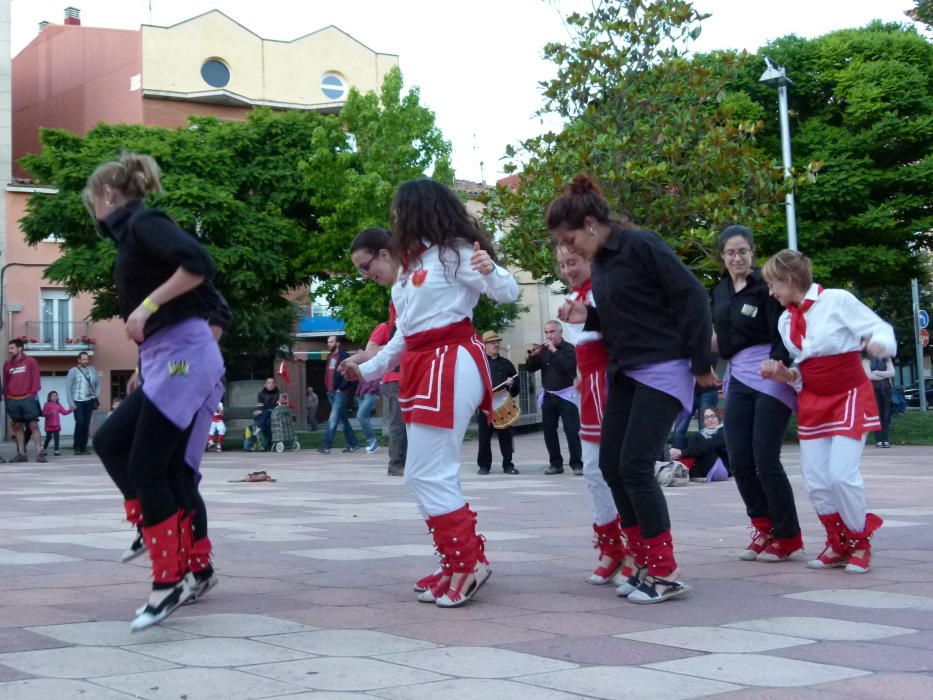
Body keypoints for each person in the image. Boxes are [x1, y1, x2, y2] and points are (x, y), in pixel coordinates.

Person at [340, 178, 519, 608]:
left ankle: (466, 565)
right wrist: (365, 366)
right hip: (426, 364)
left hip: (451, 360)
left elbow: (507, 292)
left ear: (421, 210)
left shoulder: (456, 252)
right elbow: (404, 335)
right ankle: (459, 561)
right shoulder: (410, 271)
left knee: (429, 471)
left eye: (400, 212)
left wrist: (490, 268)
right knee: (421, 473)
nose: (396, 220)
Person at [551, 174, 715, 604]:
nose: (570, 250)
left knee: (637, 465)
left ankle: (664, 571)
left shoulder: (641, 244)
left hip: (665, 367)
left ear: (590, 223)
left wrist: (702, 365)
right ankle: (642, 560)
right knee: (611, 464)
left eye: (571, 239)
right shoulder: (602, 264)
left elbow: (692, 295)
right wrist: (588, 317)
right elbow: (624, 318)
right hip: (626, 369)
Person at [85, 152, 226, 630]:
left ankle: (169, 582)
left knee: (158, 467)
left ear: (107, 195)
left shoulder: (144, 223)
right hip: (170, 359)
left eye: (92, 204)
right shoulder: (134, 237)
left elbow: (200, 263)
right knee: (110, 442)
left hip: (187, 357)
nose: (94, 215)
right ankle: (151, 530)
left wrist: (145, 307)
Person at [761, 249, 895, 574]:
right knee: (817, 480)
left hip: (849, 394)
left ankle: (860, 541)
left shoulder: (837, 300)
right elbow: (801, 372)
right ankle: (838, 542)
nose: (770, 291)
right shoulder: (785, 320)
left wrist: (879, 345)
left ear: (789, 280)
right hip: (813, 400)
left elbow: (881, 329)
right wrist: (785, 375)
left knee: (841, 475)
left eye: (773, 284)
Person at [712, 225, 803, 562]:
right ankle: (763, 527)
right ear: (722, 256)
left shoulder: (766, 287)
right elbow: (721, 338)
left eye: (743, 251)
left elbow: (784, 329)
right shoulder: (719, 291)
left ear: (752, 252)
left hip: (770, 374)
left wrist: (777, 363)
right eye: (730, 252)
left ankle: (788, 535)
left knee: (766, 459)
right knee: (739, 459)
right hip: (737, 376)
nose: (737, 257)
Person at [556, 244, 628, 586]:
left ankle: (636, 548)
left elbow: (622, 334)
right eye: (563, 264)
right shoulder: (578, 296)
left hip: (611, 384)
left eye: (573, 261)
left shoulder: (604, 290)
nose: (568, 269)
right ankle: (613, 546)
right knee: (593, 470)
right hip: (591, 388)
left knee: (618, 469)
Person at [349, 227, 407, 476]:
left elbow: (406, 342)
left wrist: (364, 367)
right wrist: (362, 365)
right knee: (402, 428)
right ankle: (399, 464)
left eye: (364, 266)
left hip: (429, 373)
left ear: (384, 254)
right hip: (400, 378)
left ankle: (401, 465)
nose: (364, 275)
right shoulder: (399, 292)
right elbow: (399, 342)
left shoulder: (411, 284)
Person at [525, 320, 582, 475]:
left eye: (551, 332)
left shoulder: (569, 349)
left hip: (567, 396)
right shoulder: (543, 351)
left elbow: (569, 367)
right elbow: (530, 369)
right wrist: (533, 356)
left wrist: (553, 350)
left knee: (572, 431)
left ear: (560, 332)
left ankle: (577, 464)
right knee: (549, 431)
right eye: (546, 332)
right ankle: (556, 464)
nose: (549, 335)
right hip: (549, 396)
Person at [476, 330, 519, 475]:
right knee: (484, 438)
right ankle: (484, 466)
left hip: (502, 408)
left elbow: (516, 388)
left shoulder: (507, 364)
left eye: (497, 342)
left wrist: (512, 384)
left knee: (506, 437)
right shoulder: (479, 364)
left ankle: (508, 465)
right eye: (492, 342)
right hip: (485, 406)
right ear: (485, 345)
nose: (496, 344)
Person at [4, 339, 46, 463]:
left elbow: (36, 379)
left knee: (33, 424)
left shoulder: (30, 361)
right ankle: (21, 454)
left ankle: (39, 453)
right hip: (12, 400)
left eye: (12, 348)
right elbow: (6, 383)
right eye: (9, 348)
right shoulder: (7, 364)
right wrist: (7, 397)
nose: (9, 350)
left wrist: (32, 394)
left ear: (20, 348)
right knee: (17, 426)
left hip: (28, 398)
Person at [318, 335, 361, 454]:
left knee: (333, 419)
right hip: (330, 392)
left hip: (340, 392)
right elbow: (328, 373)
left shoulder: (344, 356)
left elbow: (348, 374)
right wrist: (327, 387)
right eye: (328, 342)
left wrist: (341, 388)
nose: (329, 344)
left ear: (337, 343)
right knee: (343, 420)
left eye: (331, 342)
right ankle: (354, 444)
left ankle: (326, 446)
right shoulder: (329, 356)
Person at [669, 408, 731, 481]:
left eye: (712, 416)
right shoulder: (701, 433)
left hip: (722, 468)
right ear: (704, 421)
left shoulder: (724, 431)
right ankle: (679, 467)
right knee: (696, 437)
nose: (710, 420)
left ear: (718, 418)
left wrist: (682, 452)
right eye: (706, 417)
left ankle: (680, 468)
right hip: (705, 465)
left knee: (701, 442)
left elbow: (709, 445)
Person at [65, 351, 100, 455]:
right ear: (79, 360)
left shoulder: (92, 370)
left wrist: (96, 395)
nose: (86, 361)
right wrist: (71, 402)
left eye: (87, 359)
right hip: (77, 400)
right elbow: (68, 387)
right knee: (80, 422)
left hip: (89, 400)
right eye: (84, 359)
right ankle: (76, 447)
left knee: (86, 424)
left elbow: (98, 383)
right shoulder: (73, 371)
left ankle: (83, 447)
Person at [863, 356, 894, 448]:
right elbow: (868, 376)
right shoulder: (866, 360)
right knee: (877, 414)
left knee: (886, 415)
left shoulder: (887, 359)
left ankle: (886, 439)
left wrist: (877, 373)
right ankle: (879, 440)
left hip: (886, 390)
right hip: (873, 390)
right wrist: (885, 375)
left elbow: (892, 373)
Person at [41, 391, 72, 456]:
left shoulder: (58, 405)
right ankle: (44, 449)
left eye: (56, 395)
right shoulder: (46, 404)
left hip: (56, 425)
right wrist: (49, 414)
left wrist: (71, 410)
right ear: (49, 397)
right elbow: (43, 414)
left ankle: (56, 450)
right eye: (53, 396)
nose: (55, 397)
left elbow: (64, 413)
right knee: (48, 437)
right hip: (49, 425)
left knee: (56, 438)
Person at [356, 378, 381, 453]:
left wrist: (372, 390)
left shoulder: (374, 366)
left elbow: (378, 376)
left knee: (360, 416)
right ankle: (372, 444)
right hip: (361, 394)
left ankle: (373, 442)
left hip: (370, 393)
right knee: (365, 418)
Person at [257, 378, 280, 450]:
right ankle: (269, 443)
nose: (271, 384)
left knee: (267, 413)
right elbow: (260, 405)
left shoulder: (279, 393)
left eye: (272, 383)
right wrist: (259, 410)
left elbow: (279, 405)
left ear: (275, 384)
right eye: (269, 383)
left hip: (275, 414)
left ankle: (259, 428)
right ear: (265, 385)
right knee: (267, 422)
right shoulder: (261, 394)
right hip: (265, 416)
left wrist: (265, 410)